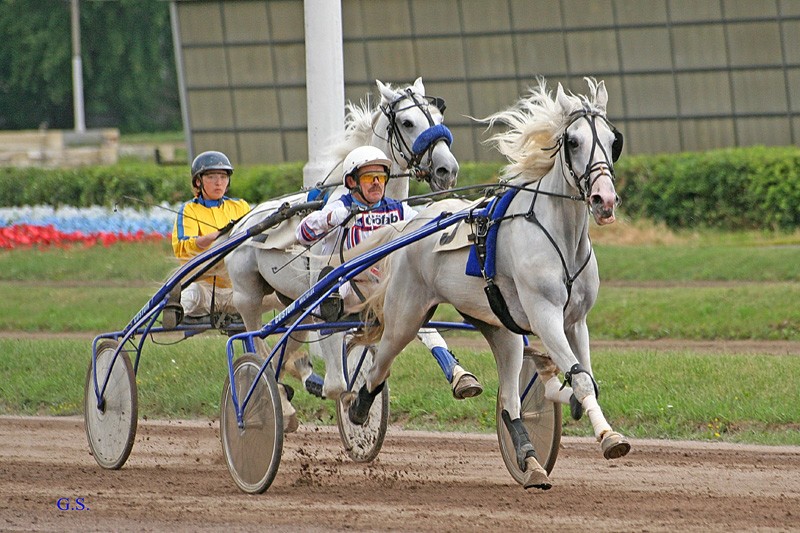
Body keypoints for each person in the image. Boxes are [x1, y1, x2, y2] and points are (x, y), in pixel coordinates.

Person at [296, 146, 483, 399]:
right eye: (368, 178)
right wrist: (330, 219)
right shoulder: (338, 206)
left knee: (415, 302)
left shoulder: (398, 210)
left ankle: (455, 371)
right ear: (352, 181)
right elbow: (302, 234)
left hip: (388, 289)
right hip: (349, 293)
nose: (376, 183)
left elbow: (423, 226)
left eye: (381, 178)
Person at [168, 151, 251, 325]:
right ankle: (173, 307)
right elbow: (182, 248)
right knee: (190, 294)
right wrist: (213, 238)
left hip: (237, 290)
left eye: (223, 176)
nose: (218, 182)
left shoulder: (240, 207)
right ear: (198, 181)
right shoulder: (189, 210)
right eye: (212, 177)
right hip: (204, 289)